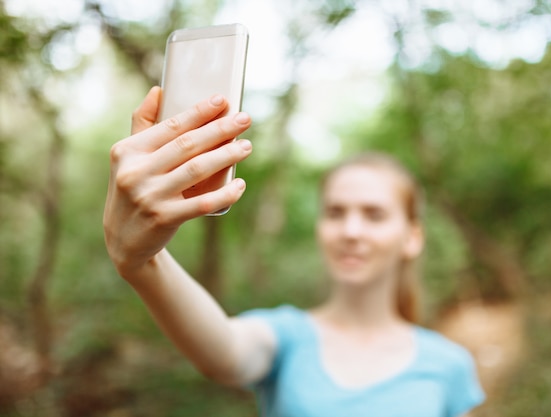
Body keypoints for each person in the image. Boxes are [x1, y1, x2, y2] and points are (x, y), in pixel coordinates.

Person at [103, 86, 485, 417]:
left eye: (374, 215)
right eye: (336, 213)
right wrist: (143, 262)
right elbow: (225, 352)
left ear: (412, 237)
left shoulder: (449, 366)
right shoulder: (285, 338)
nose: (351, 231)